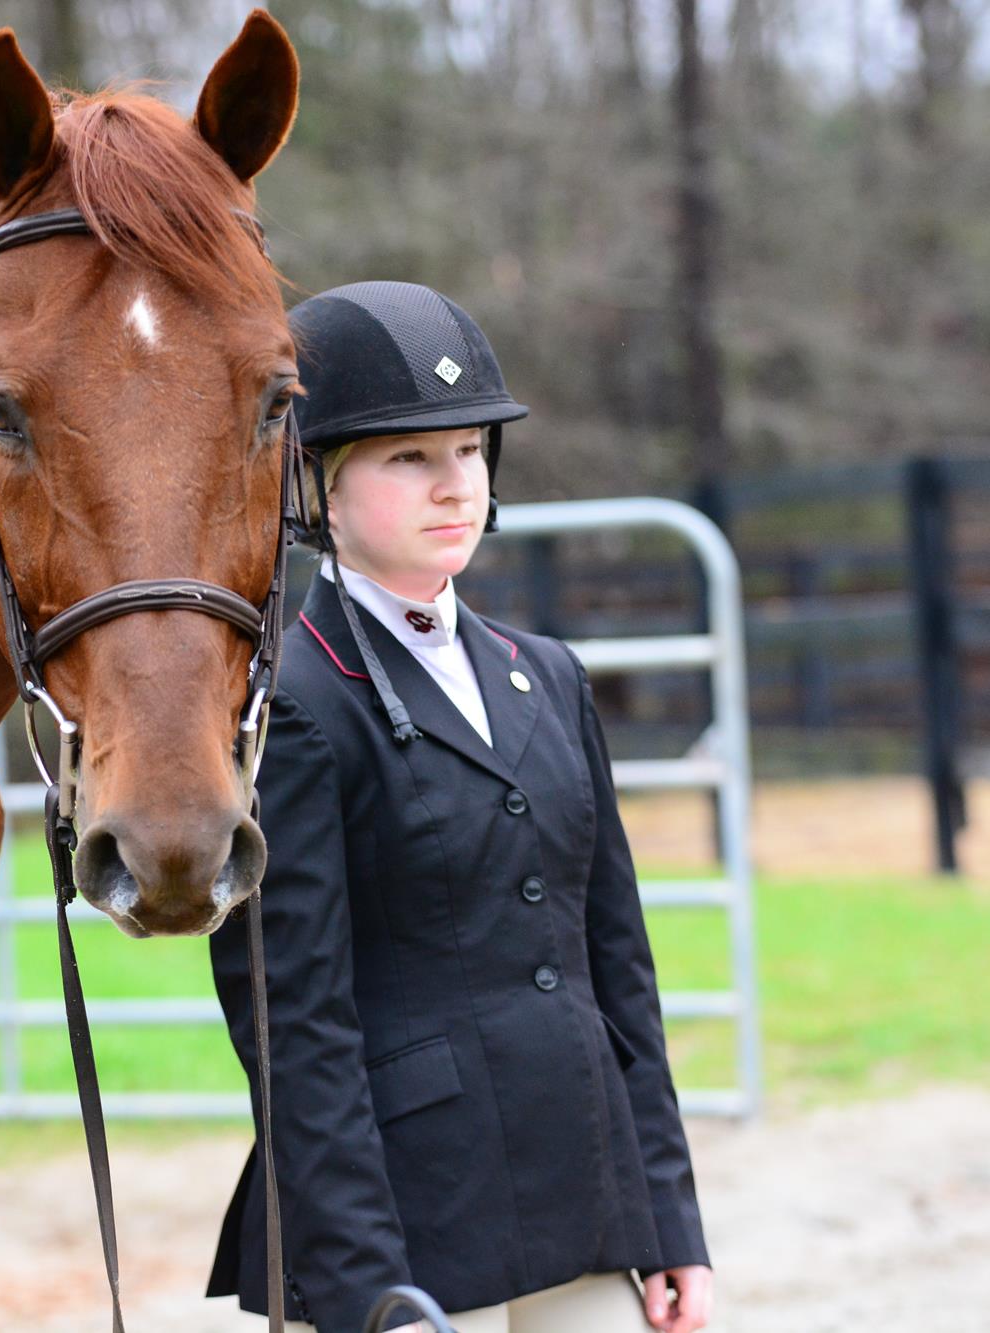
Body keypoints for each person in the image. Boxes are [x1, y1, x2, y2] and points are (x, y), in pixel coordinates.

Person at [206, 282, 713, 1333]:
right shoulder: (291, 705)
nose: (453, 486)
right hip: (406, 1228)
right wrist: (363, 1287)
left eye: (469, 452)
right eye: (407, 458)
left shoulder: (551, 674)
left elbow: (615, 967)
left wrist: (665, 1216)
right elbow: (292, 1024)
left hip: (583, 1198)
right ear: (320, 487)